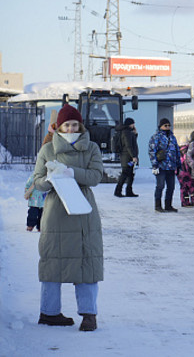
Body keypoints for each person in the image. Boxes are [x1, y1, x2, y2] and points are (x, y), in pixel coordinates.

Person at [32, 104, 103, 331]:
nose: (71, 128)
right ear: (59, 126)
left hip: (82, 211)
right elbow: (37, 182)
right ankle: (49, 312)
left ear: (80, 125)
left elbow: (95, 176)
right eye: (67, 124)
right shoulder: (47, 150)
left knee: (87, 263)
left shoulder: (91, 148)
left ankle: (89, 314)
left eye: (74, 124)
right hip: (56, 212)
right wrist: (51, 177)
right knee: (53, 262)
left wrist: (73, 173)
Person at [148, 118, 181, 213]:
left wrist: (178, 164)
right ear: (160, 126)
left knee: (171, 186)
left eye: (169, 125)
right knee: (160, 185)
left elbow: (177, 151)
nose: (167, 127)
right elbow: (152, 151)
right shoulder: (156, 137)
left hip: (171, 166)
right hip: (161, 166)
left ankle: (168, 205)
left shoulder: (172, 137)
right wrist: (154, 165)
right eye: (165, 126)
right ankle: (158, 205)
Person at [114, 117, 139, 198]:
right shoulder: (126, 132)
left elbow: (132, 142)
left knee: (130, 174)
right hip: (127, 157)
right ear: (129, 124)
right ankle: (118, 191)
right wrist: (133, 156)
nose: (133, 125)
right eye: (133, 123)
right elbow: (128, 145)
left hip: (128, 157)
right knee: (125, 173)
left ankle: (129, 191)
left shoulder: (128, 132)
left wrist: (135, 134)